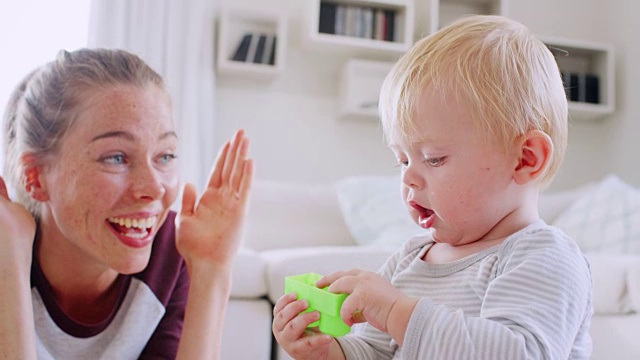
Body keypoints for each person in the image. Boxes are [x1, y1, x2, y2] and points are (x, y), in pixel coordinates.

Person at [273, 15, 593, 360]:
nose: (408, 177)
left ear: (525, 159)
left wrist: (397, 312)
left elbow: (519, 353)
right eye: (403, 160)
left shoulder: (542, 257)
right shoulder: (408, 261)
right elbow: (377, 352)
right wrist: (327, 351)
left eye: (434, 159)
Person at [0, 48, 253, 359]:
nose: (153, 188)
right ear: (36, 178)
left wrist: (211, 271)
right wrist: (9, 264)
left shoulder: (169, 258)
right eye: (116, 157)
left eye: (165, 156)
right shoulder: (5, 250)